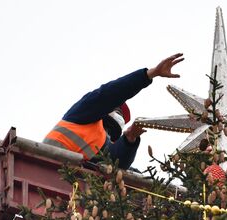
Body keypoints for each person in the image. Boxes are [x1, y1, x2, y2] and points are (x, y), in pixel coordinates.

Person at [43, 53, 184, 169]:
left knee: (134, 173)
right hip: (44, 165)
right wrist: (149, 74)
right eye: (117, 108)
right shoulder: (84, 112)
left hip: (72, 186)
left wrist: (129, 140)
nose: (119, 114)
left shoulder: (103, 141)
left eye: (122, 113)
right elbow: (112, 92)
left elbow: (116, 164)